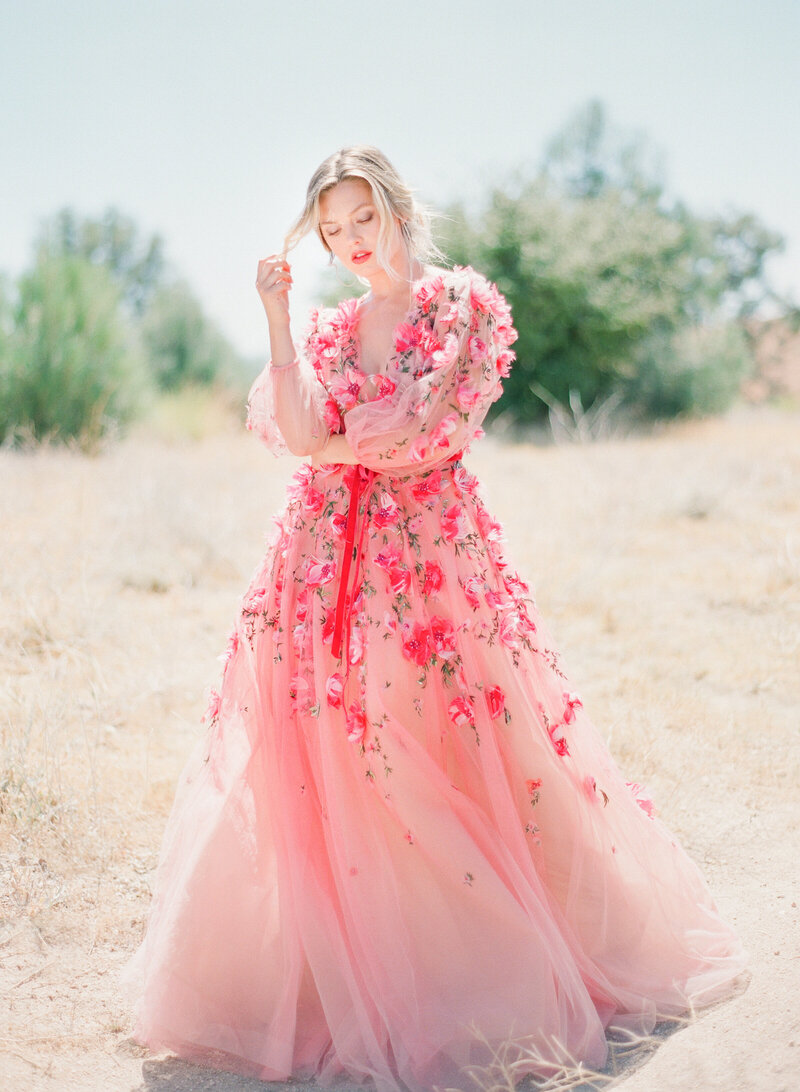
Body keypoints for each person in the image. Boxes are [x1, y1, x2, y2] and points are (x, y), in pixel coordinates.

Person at [120, 145, 746, 1092]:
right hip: (318, 562)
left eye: (362, 219)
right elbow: (301, 436)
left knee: (439, 753)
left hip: (429, 569)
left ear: (398, 209)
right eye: (332, 231)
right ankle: (353, 973)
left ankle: (463, 975)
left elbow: (429, 432)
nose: (350, 242)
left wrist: (342, 437)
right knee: (334, 759)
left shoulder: (462, 306)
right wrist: (280, 324)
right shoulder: (328, 330)